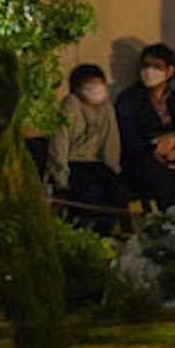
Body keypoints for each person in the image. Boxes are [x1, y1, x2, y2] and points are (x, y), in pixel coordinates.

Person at [114, 40, 175, 219]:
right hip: (142, 161)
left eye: (157, 66)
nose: (149, 71)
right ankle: (170, 229)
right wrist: (155, 147)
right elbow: (128, 134)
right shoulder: (129, 99)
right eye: (146, 66)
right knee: (165, 185)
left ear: (169, 71)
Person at [47, 58, 128, 234]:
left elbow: (110, 139)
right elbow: (59, 141)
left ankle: (106, 232)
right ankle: (85, 232)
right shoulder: (70, 104)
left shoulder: (106, 107)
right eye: (91, 86)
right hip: (74, 162)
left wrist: (112, 168)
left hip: (96, 163)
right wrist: (61, 175)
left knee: (117, 189)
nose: (97, 91)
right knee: (89, 192)